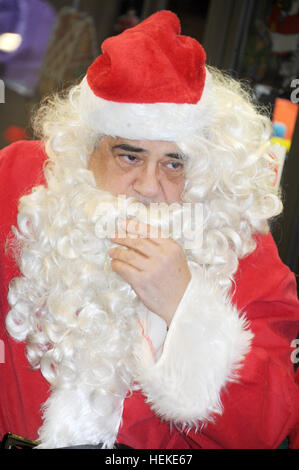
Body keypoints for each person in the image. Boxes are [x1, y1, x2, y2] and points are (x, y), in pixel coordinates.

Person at [0, 10, 298, 449]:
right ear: (87, 149)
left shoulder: (236, 242)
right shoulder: (22, 184)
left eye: (173, 164)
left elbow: (265, 430)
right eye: (129, 156)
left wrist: (184, 306)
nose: (148, 187)